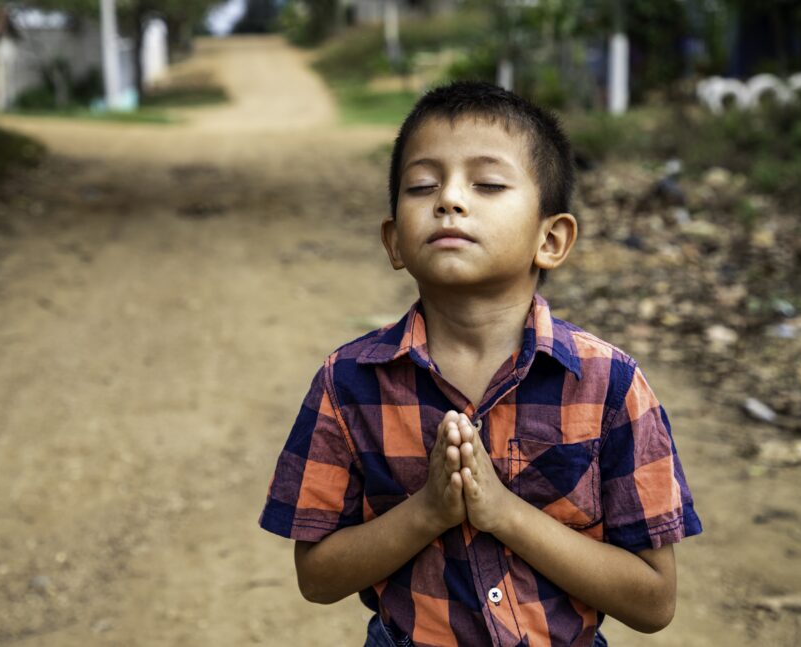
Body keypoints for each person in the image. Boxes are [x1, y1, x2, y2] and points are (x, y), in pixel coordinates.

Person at [258, 80, 702, 646]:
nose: (449, 199)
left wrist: (502, 512)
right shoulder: (349, 385)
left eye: (487, 183)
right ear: (395, 242)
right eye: (422, 185)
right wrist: (429, 510)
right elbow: (317, 577)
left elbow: (654, 600)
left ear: (552, 239)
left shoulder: (609, 385)